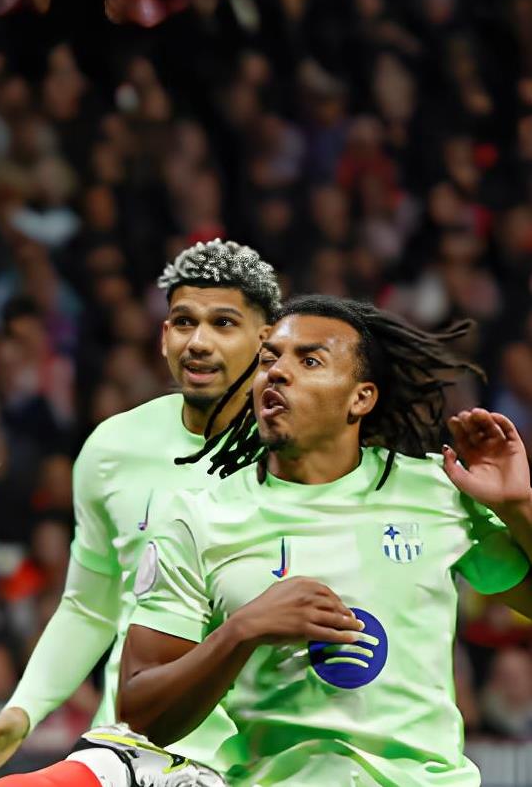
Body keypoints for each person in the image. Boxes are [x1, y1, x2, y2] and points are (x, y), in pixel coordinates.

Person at [120, 295, 532, 786]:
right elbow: (140, 715)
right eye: (268, 359)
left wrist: (519, 507)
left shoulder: (436, 492)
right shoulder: (197, 517)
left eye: (309, 361)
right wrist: (242, 631)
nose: (276, 372)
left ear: (361, 398)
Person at [0, 240, 277, 785]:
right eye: (184, 322)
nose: (198, 342)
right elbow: (90, 605)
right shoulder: (112, 448)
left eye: (224, 323)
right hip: (136, 748)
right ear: (164, 335)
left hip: (265, 756)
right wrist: (24, 709)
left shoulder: (301, 451)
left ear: (267, 339)